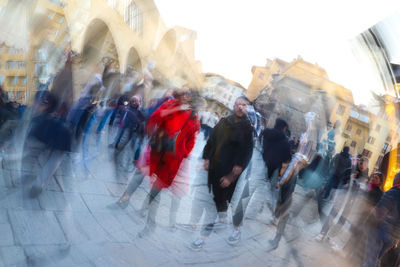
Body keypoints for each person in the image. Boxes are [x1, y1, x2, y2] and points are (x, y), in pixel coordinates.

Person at [116, 87, 200, 236]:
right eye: (183, 91)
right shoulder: (170, 104)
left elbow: (192, 139)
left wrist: (183, 152)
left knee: (156, 189)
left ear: (191, 97)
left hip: (171, 157)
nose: (184, 95)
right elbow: (155, 116)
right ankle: (124, 200)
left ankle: (150, 224)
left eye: (188, 93)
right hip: (155, 148)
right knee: (138, 174)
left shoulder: (193, 117)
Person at [190, 96, 254, 250]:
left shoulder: (248, 129)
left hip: (227, 175)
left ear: (248, 109)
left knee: (214, 204)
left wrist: (232, 177)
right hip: (212, 169)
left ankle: (202, 238)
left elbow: (246, 155)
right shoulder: (224, 121)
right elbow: (211, 141)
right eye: (239, 104)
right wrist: (205, 158)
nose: (241, 107)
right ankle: (208, 220)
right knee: (206, 199)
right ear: (234, 104)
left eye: (245, 105)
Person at [363, 172, 400, 267]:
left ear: (397, 180)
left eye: (394, 178)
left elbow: (379, 213)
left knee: (370, 260)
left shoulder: (392, 192)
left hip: (381, 231)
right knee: (376, 259)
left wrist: (371, 209)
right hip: (394, 237)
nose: (393, 181)